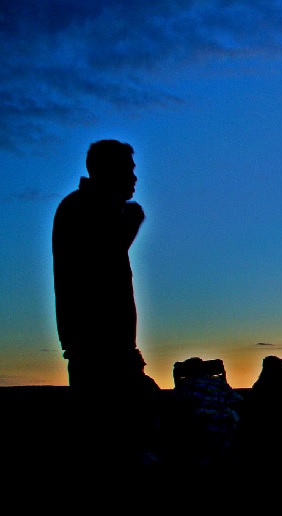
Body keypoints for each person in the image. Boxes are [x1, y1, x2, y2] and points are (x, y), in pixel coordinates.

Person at [52, 139, 161, 470]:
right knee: (110, 450)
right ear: (105, 171)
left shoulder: (93, 208)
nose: (134, 178)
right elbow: (101, 260)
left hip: (109, 353)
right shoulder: (83, 209)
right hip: (98, 355)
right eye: (128, 170)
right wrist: (131, 221)